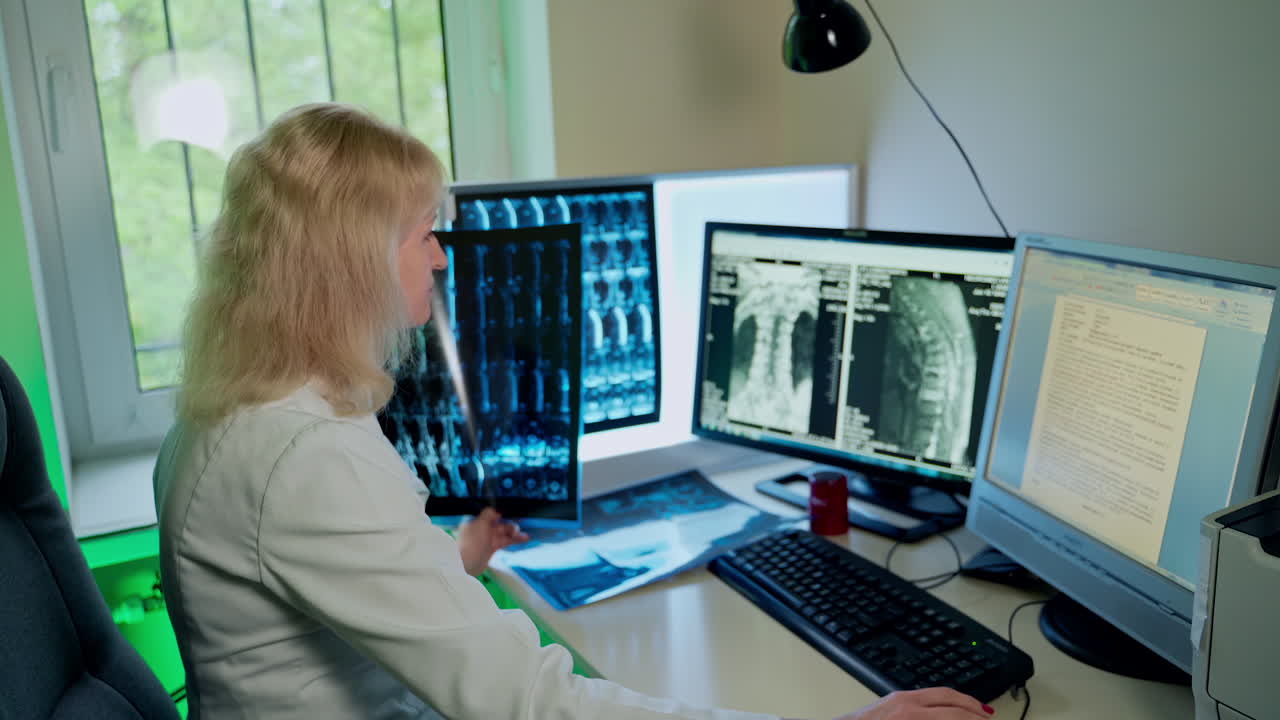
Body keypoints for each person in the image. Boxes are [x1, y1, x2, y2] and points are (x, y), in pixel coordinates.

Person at [153, 102, 996, 720]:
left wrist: (456, 560)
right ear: (354, 260)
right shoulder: (306, 455)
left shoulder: (238, 405)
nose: (442, 257)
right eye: (422, 233)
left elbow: (332, 595)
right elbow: (525, 701)